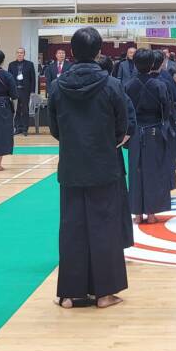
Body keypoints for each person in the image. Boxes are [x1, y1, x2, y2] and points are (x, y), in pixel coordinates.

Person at [49, 26, 132, 308]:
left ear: (72, 52)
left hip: (72, 165)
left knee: (72, 228)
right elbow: (122, 127)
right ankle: (105, 293)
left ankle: (70, 294)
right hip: (104, 164)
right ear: (99, 52)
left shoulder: (57, 86)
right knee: (105, 227)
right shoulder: (112, 85)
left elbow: (55, 129)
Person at [124, 50, 172, 225]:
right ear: (152, 64)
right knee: (153, 171)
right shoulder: (159, 85)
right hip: (154, 131)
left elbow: (125, 112)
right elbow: (166, 111)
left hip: (135, 132)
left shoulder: (128, 86)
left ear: (135, 64)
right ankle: (151, 214)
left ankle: (137, 214)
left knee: (135, 171)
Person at [8, 47, 36, 136]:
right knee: (16, 110)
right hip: (15, 90)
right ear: (16, 54)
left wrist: (32, 91)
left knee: (25, 110)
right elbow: (9, 79)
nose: (20, 54)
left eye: (21, 53)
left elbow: (33, 78)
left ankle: (25, 128)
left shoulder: (29, 64)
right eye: (18, 53)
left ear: (24, 54)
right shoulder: (11, 65)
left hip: (25, 90)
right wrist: (9, 91)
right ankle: (17, 128)